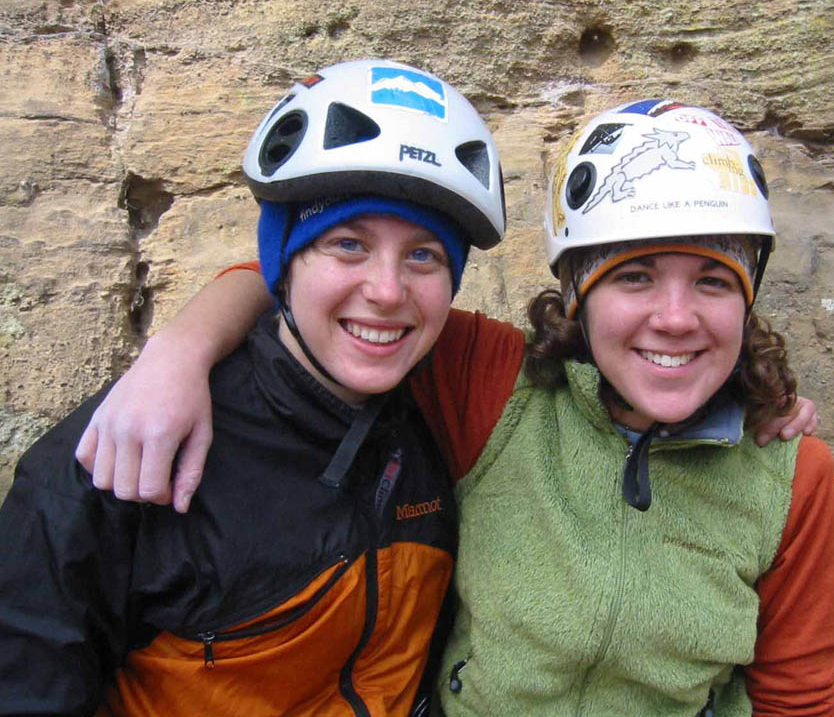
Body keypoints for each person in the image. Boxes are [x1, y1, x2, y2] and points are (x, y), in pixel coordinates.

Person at [74, 102, 834, 714]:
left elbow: (796, 698)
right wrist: (176, 351)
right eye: (634, 276)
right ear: (578, 293)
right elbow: (318, 290)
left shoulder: (790, 474)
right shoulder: (502, 387)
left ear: (747, 302)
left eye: (712, 282)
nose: (675, 318)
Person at [0, 58, 508, 716]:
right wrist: (180, 348)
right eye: (348, 244)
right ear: (282, 261)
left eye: (424, 255)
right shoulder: (127, 448)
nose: (387, 292)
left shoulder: (444, 408)